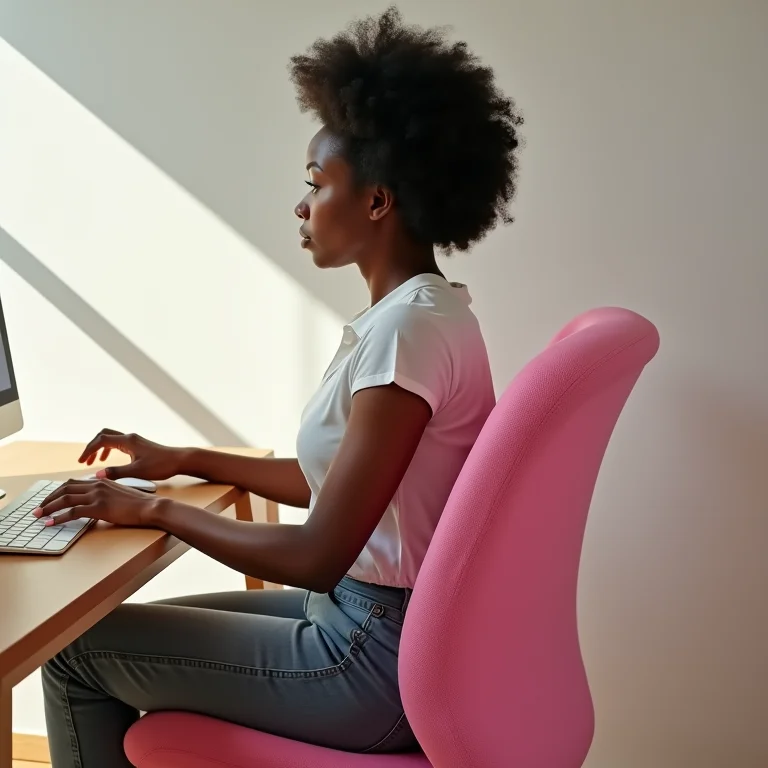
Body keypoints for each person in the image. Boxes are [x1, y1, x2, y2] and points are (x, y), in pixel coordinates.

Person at [33, 6, 522, 765]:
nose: (300, 204)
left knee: (74, 655)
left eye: (315, 182)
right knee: (94, 640)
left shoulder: (407, 332)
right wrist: (186, 460)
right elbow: (331, 485)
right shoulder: (422, 313)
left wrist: (151, 509)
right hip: (370, 626)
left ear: (377, 200)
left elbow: (319, 552)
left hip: (368, 659)